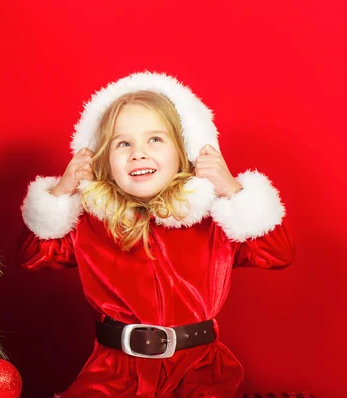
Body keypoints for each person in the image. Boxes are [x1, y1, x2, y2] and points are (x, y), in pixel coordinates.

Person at [18, 71, 295, 397]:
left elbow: (277, 252)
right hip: (113, 374)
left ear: (183, 151)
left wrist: (231, 189)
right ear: (102, 159)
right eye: (123, 143)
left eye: (155, 139)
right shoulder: (92, 222)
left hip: (200, 372)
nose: (138, 153)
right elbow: (33, 256)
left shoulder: (213, 219)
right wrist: (62, 192)